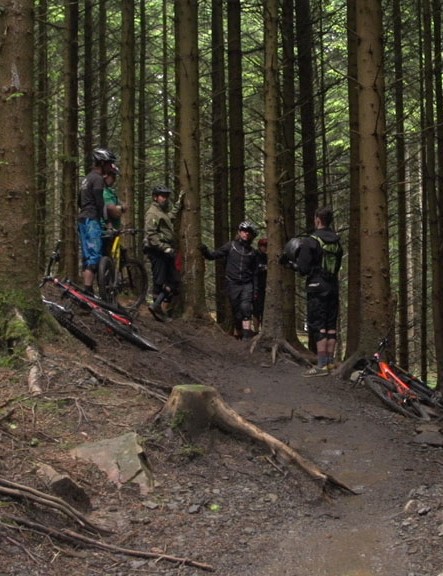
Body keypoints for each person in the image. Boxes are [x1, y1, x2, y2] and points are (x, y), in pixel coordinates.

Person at [282, 207, 343, 377]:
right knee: (330, 326)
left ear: (317, 219)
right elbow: (337, 265)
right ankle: (330, 363)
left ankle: (321, 364)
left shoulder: (311, 241)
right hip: (333, 286)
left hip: (317, 286)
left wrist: (290, 264)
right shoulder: (337, 242)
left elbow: (303, 269)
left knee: (318, 325)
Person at [200, 221, 259, 341]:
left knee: (246, 307)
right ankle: (239, 333)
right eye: (244, 231)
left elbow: (255, 273)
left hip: (247, 284)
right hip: (232, 283)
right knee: (237, 311)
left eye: (248, 232)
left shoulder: (253, 253)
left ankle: (247, 335)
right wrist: (205, 251)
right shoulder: (231, 246)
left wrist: (255, 289)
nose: (246, 234)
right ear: (239, 232)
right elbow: (213, 255)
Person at [78, 147, 118, 295]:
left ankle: (87, 290)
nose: (110, 166)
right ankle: (88, 292)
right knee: (95, 255)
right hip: (91, 219)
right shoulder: (98, 179)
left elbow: (79, 200)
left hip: (82, 218)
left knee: (87, 256)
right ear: (101, 163)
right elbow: (100, 203)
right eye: (108, 163)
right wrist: (107, 222)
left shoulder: (87, 178)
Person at [143, 185, 185, 322]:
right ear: (155, 197)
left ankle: (157, 306)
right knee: (160, 281)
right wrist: (163, 247)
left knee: (173, 281)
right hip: (157, 251)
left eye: (166, 196)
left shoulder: (160, 211)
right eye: (162, 196)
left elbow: (169, 217)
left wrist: (179, 203)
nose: (165, 199)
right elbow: (151, 234)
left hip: (164, 249)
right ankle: (156, 310)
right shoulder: (152, 213)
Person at [253, 237, 268, 332]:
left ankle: (263, 331)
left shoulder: (267, 257)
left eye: (266, 246)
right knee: (256, 310)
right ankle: (256, 331)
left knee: (264, 310)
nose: (265, 248)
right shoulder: (255, 255)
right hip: (256, 286)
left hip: (265, 287)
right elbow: (254, 270)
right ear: (260, 246)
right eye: (263, 246)